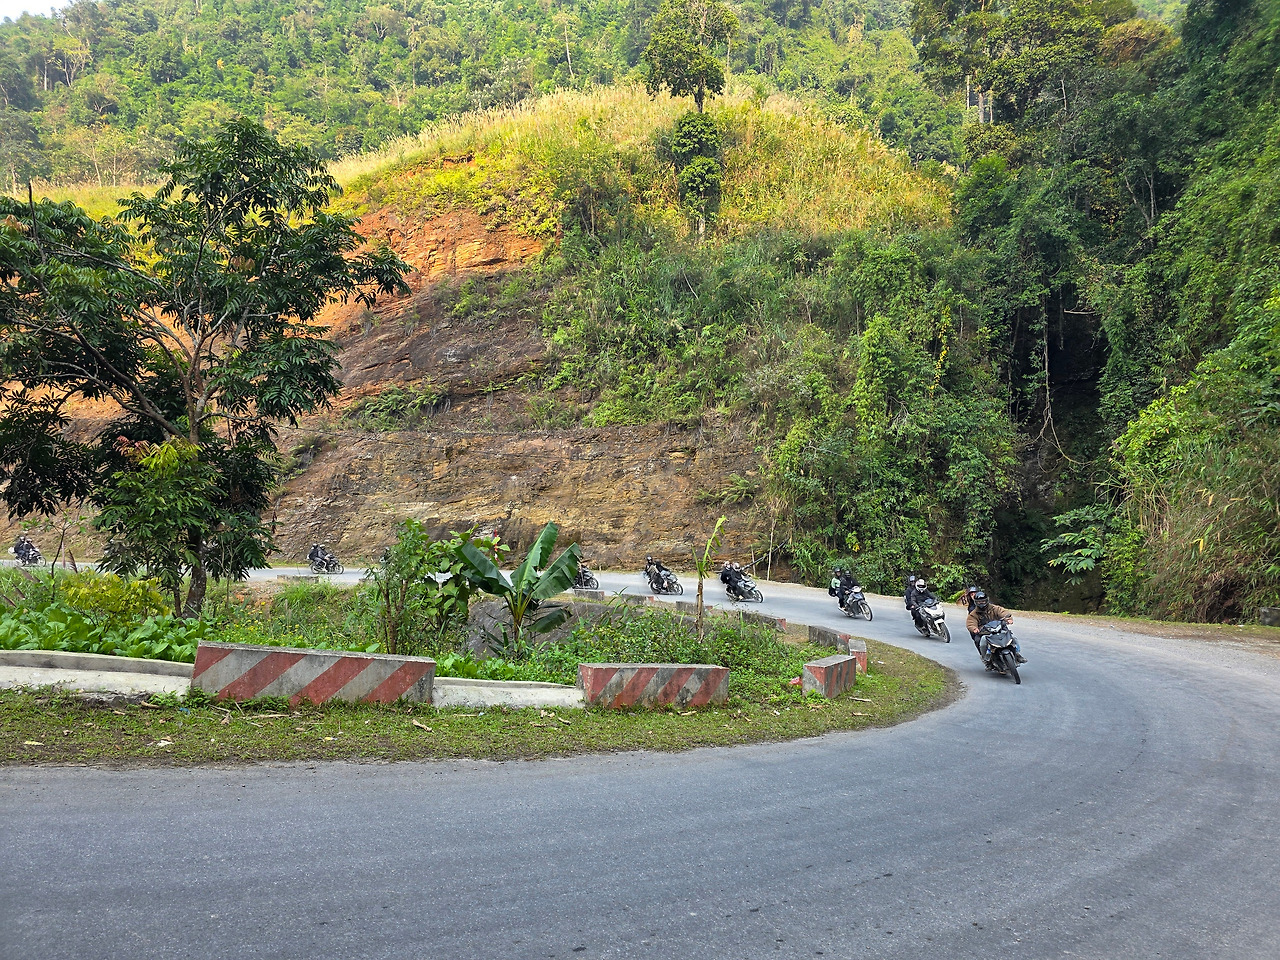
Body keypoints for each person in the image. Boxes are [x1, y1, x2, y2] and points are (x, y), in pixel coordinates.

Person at [966, 591, 1026, 664]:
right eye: (979, 602)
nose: (981, 603)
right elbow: (971, 622)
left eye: (983, 601)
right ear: (976, 602)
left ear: (987, 600)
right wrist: (974, 628)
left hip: (999, 628)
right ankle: (986, 659)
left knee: (1012, 637)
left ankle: (1017, 654)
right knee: (979, 641)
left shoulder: (994, 608)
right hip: (985, 632)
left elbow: (1003, 612)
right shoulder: (974, 613)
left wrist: (1008, 619)